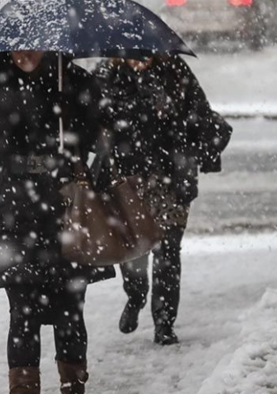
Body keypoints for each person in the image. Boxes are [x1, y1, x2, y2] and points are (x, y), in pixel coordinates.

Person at [0, 50, 114, 394]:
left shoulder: (74, 82)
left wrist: (73, 126)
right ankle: (24, 388)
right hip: (15, 211)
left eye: (33, 44)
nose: (25, 52)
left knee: (70, 308)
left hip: (67, 207)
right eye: (17, 45)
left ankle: (73, 383)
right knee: (23, 310)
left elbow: (106, 140)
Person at [93, 55, 231, 346]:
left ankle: (164, 322)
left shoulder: (175, 70)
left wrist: (178, 119)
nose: (140, 60)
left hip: (171, 178)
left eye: (145, 54)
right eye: (133, 54)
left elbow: (200, 114)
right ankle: (136, 295)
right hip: (127, 179)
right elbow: (91, 123)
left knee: (168, 252)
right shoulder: (107, 75)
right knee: (133, 252)